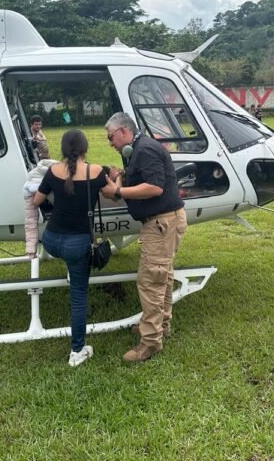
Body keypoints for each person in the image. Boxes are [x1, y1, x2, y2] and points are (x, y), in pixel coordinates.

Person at [104, 112, 187, 363]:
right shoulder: (137, 148)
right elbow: (143, 179)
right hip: (165, 222)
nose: (110, 143)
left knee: (150, 281)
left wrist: (118, 190)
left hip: (161, 223)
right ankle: (162, 325)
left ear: (123, 131)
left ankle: (150, 342)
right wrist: (120, 177)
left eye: (110, 137)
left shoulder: (145, 150)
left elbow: (155, 187)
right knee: (163, 276)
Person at [32, 130, 114, 366]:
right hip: (76, 244)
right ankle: (77, 351)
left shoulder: (53, 170)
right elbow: (113, 195)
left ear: (63, 149)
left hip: (51, 240)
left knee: (73, 262)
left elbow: (37, 200)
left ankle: (72, 268)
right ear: (86, 148)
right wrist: (116, 178)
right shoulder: (95, 171)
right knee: (79, 297)